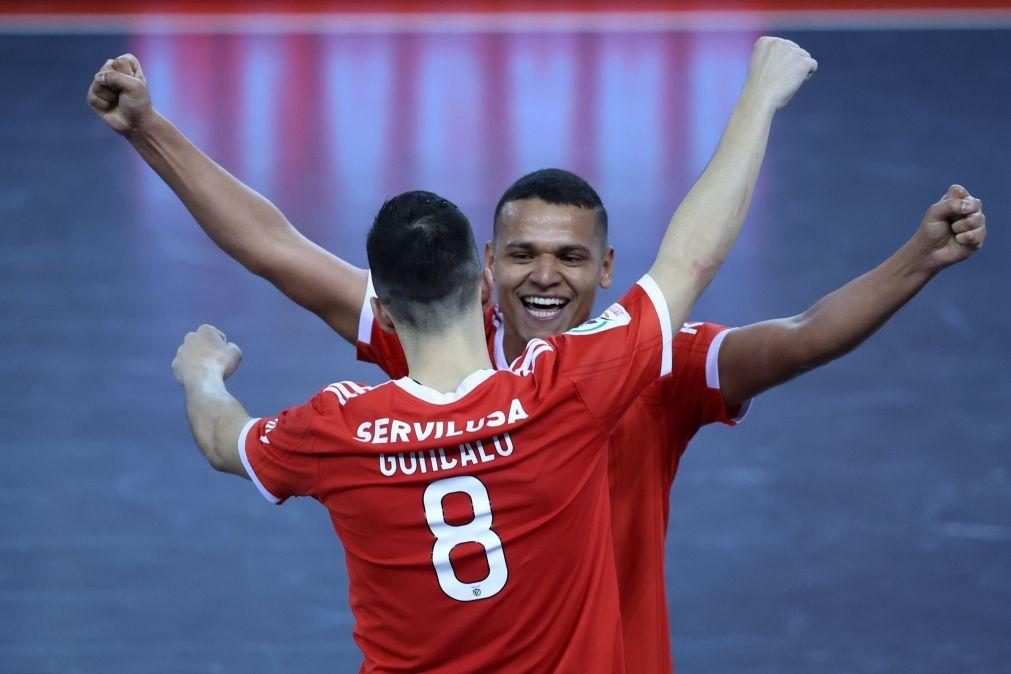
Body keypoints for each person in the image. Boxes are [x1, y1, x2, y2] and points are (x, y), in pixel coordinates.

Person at [89, 36, 984, 671]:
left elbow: (799, 339)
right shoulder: (560, 362)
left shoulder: (644, 362)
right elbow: (275, 248)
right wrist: (150, 131)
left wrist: (918, 259)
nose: (544, 274)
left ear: (606, 268)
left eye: (569, 257)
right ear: (484, 269)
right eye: (522, 254)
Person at [170, 163, 760, 672]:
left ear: (382, 312)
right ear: (483, 282)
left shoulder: (337, 428)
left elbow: (225, 439)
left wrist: (203, 374)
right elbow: (690, 261)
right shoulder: (560, 397)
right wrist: (761, 91)